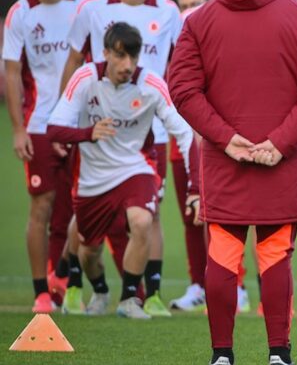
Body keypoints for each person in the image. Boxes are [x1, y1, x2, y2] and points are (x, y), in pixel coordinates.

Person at [168, 0, 297, 365]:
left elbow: (183, 88)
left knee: (222, 257)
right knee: (275, 255)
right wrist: (279, 142)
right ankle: (278, 355)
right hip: (282, 161)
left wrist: (226, 139)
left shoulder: (200, 20)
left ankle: (222, 356)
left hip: (225, 161)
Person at [61, 0, 182, 316]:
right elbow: (74, 61)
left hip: (151, 129)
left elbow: (177, 67)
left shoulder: (167, 11)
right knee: (85, 221)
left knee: (150, 213)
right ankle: (75, 283)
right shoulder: (93, 8)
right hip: (99, 130)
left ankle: (150, 295)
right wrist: (68, 122)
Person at [47, 23, 194, 319]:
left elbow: (185, 133)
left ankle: (129, 299)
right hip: (94, 176)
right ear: (105, 54)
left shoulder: (151, 85)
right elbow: (54, 128)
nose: (127, 65)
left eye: (133, 57)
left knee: (142, 221)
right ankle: (100, 290)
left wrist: (196, 184)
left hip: (135, 167)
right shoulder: (85, 77)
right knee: (89, 251)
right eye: (120, 56)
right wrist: (88, 133)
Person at [3, 0, 83, 312]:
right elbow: (13, 73)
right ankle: (41, 293)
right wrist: (18, 129)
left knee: (81, 207)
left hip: (80, 123)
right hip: (38, 124)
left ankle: (63, 274)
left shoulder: (82, 7)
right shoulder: (20, 13)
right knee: (42, 206)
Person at [167, 0, 215, 312]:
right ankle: (197, 284)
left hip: (212, 138)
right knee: (189, 215)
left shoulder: (216, 31)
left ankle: (234, 286)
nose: (188, 11)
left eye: (195, 3)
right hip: (179, 138)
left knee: (221, 216)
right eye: (183, 5)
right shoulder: (176, 36)